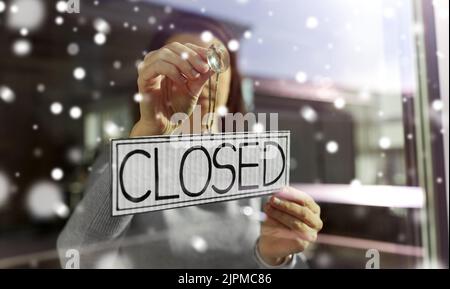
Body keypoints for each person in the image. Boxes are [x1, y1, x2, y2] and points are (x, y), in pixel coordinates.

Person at [57, 13, 323, 269]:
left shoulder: (255, 159)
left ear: (233, 81)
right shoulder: (125, 157)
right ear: (155, 74)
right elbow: (77, 258)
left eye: (215, 59)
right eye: (182, 61)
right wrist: (146, 142)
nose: (201, 76)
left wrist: (275, 259)